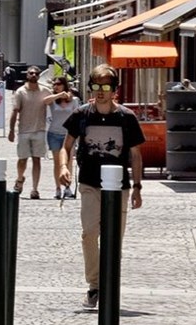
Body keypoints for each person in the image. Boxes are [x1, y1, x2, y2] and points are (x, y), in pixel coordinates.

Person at [61, 65, 146, 308]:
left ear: (114, 90)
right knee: (89, 234)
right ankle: (95, 284)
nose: (100, 92)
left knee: (113, 239)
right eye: (96, 87)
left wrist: (138, 187)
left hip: (118, 187)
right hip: (89, 183)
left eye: (106, 87)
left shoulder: (126, 117)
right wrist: (63, 167)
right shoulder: (81, 114)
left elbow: (136, 155)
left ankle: (109, 283)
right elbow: (66, 146)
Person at [7, 66, 50, 198]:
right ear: (27, 75)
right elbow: (15, 111)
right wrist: (11, 130)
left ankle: (35, 189)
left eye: (36, 74)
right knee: (22, 160)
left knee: (37, 160)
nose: (33, 75)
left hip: (40, 130)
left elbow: (56, 102)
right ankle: (20, 179)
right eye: (31, 73)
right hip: (24, 131)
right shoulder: (20, 92)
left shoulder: (45, 91)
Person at [44, 76, 80, 199]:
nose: (56, 86)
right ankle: (58, 188)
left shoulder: (74, 100)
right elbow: (45, 101)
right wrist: (58, 96)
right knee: (57, 162)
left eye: (59, 84)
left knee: (68, 162)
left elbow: (77, 116)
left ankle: (68, 187)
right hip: (54, 134)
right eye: (54, 84)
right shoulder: (54, 100)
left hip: (68, 135)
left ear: (64, 85)